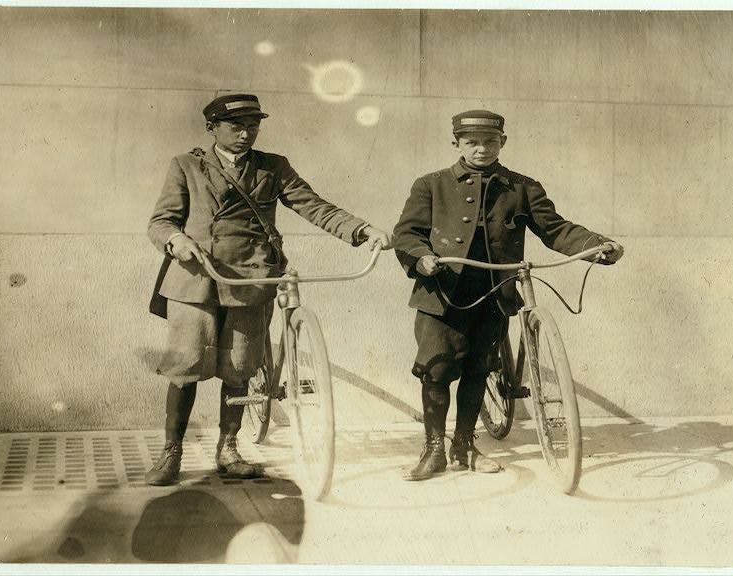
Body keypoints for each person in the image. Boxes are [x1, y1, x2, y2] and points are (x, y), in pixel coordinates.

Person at [145, 94, 391, 486]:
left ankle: (228, 448)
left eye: (253, 126)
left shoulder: (273, 167)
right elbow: (161, 221)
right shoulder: (187, 165)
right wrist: (176, 240)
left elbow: (315, 206)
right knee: (185, 367)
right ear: (212, 128)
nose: (246, 134)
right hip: (196, 279)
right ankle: (170, 451)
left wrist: (362, 230)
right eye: (236, 126)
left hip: (252, 279)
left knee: (240, 368)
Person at [393, 109, 623, 481]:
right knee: (436, 370)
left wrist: (597, 245)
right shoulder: (430, 185)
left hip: (495, 291)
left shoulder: (522, 187)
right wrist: (423, 259)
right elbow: (406, 234)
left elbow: (556, 229)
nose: (481, 149)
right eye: (472, 142)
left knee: (477, 369)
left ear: (503, 142)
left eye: (490, 141)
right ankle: (434, 449)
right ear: (456, 144)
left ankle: (465, 445)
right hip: (443, 293)